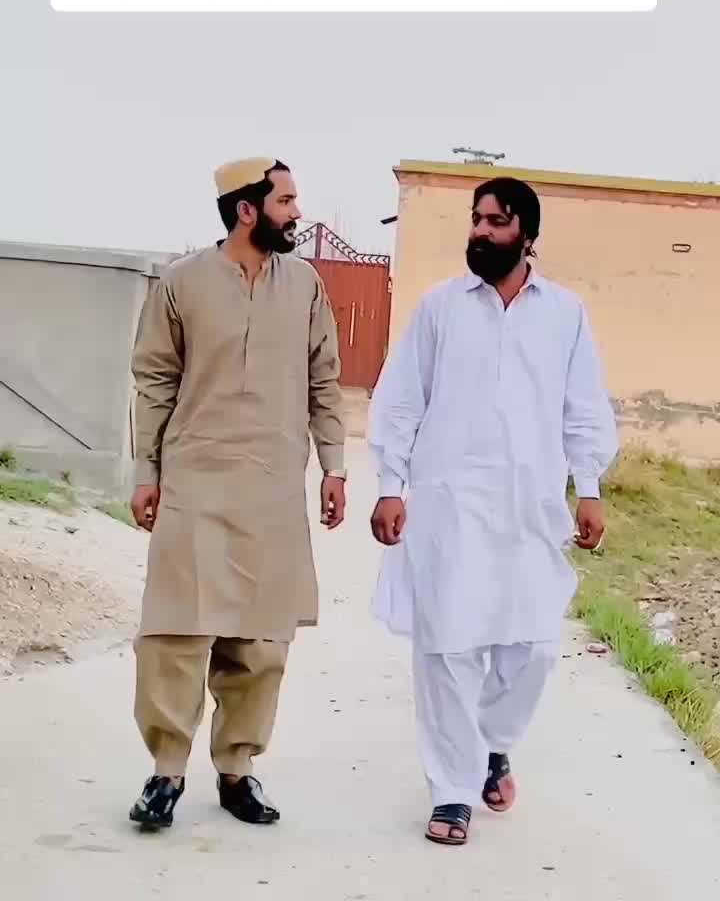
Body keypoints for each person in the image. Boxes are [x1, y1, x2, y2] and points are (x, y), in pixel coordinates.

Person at [368, 177, 617, 846]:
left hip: (528, 508)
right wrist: (390, 484)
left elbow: (583, 405)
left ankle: (492, 745)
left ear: (526, 235)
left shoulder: (563, 313)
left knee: (532, 647)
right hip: (448, 506)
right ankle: (452, 792)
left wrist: (589, 486)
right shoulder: (440, 308)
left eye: (496, 221)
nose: (480, 231)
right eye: (476, 219)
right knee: (446, 649)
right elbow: (402, 398)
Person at [128, 157, 346, 830]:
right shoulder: (182, 282)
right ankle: (166, 773)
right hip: (194, 479)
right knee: (176, 632)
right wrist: (146, 472)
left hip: (273, 486)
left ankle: (236, 770)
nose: (297, 212)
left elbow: (324, 380)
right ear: (247, 210)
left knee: (260, 641)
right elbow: (155, 379)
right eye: (286, 200)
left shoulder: (304, 284)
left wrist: (334, 467)